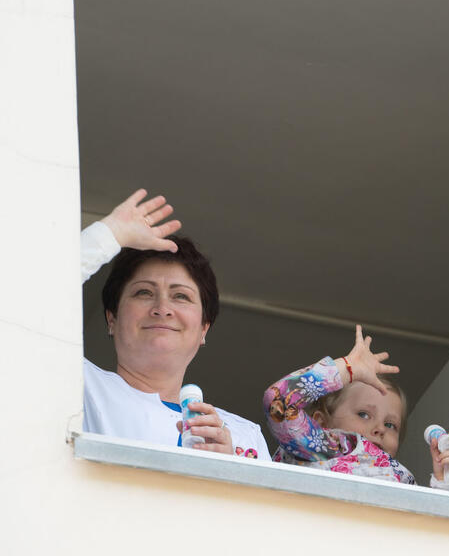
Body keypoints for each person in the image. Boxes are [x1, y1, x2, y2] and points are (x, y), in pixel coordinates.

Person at [81, 189, 269, 458]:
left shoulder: (244, 436)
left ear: (204, 328)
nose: (162, 309)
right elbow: (26, 313)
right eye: (144, 292)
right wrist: (108, 235)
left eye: (181, 296)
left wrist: (229, 471)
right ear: (112, 318)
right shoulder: (79, 385)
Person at [264, 326, 414, 483]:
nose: (380, 429)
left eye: (390, 425)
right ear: (321, 422)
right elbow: (278, 403)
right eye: (363, 415)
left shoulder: (403, 477)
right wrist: (348, 368)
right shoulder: (328, 447)